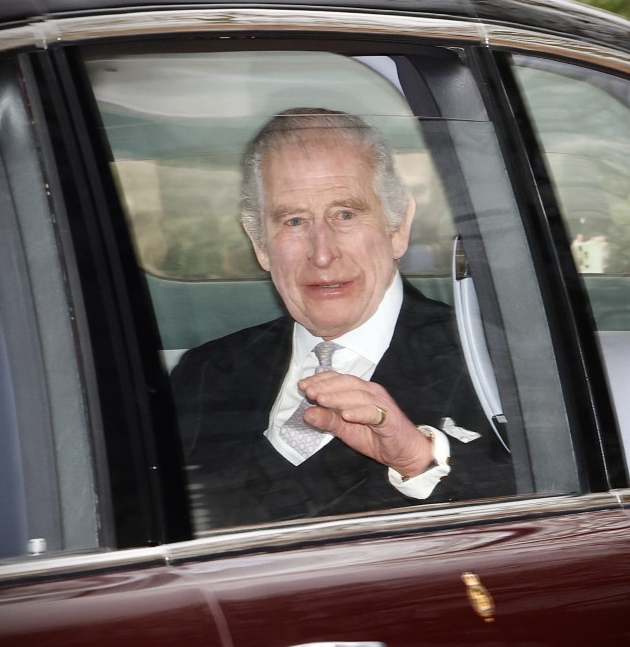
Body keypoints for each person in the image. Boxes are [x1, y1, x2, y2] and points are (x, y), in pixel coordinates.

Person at [170, 108, 515, 530]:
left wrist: (417, 459)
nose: (321, 252)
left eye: (345, 215)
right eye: (294, 221)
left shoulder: (498, 360)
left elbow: (550, 532)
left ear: (397, 228)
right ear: (259, 244)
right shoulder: (205, 373)